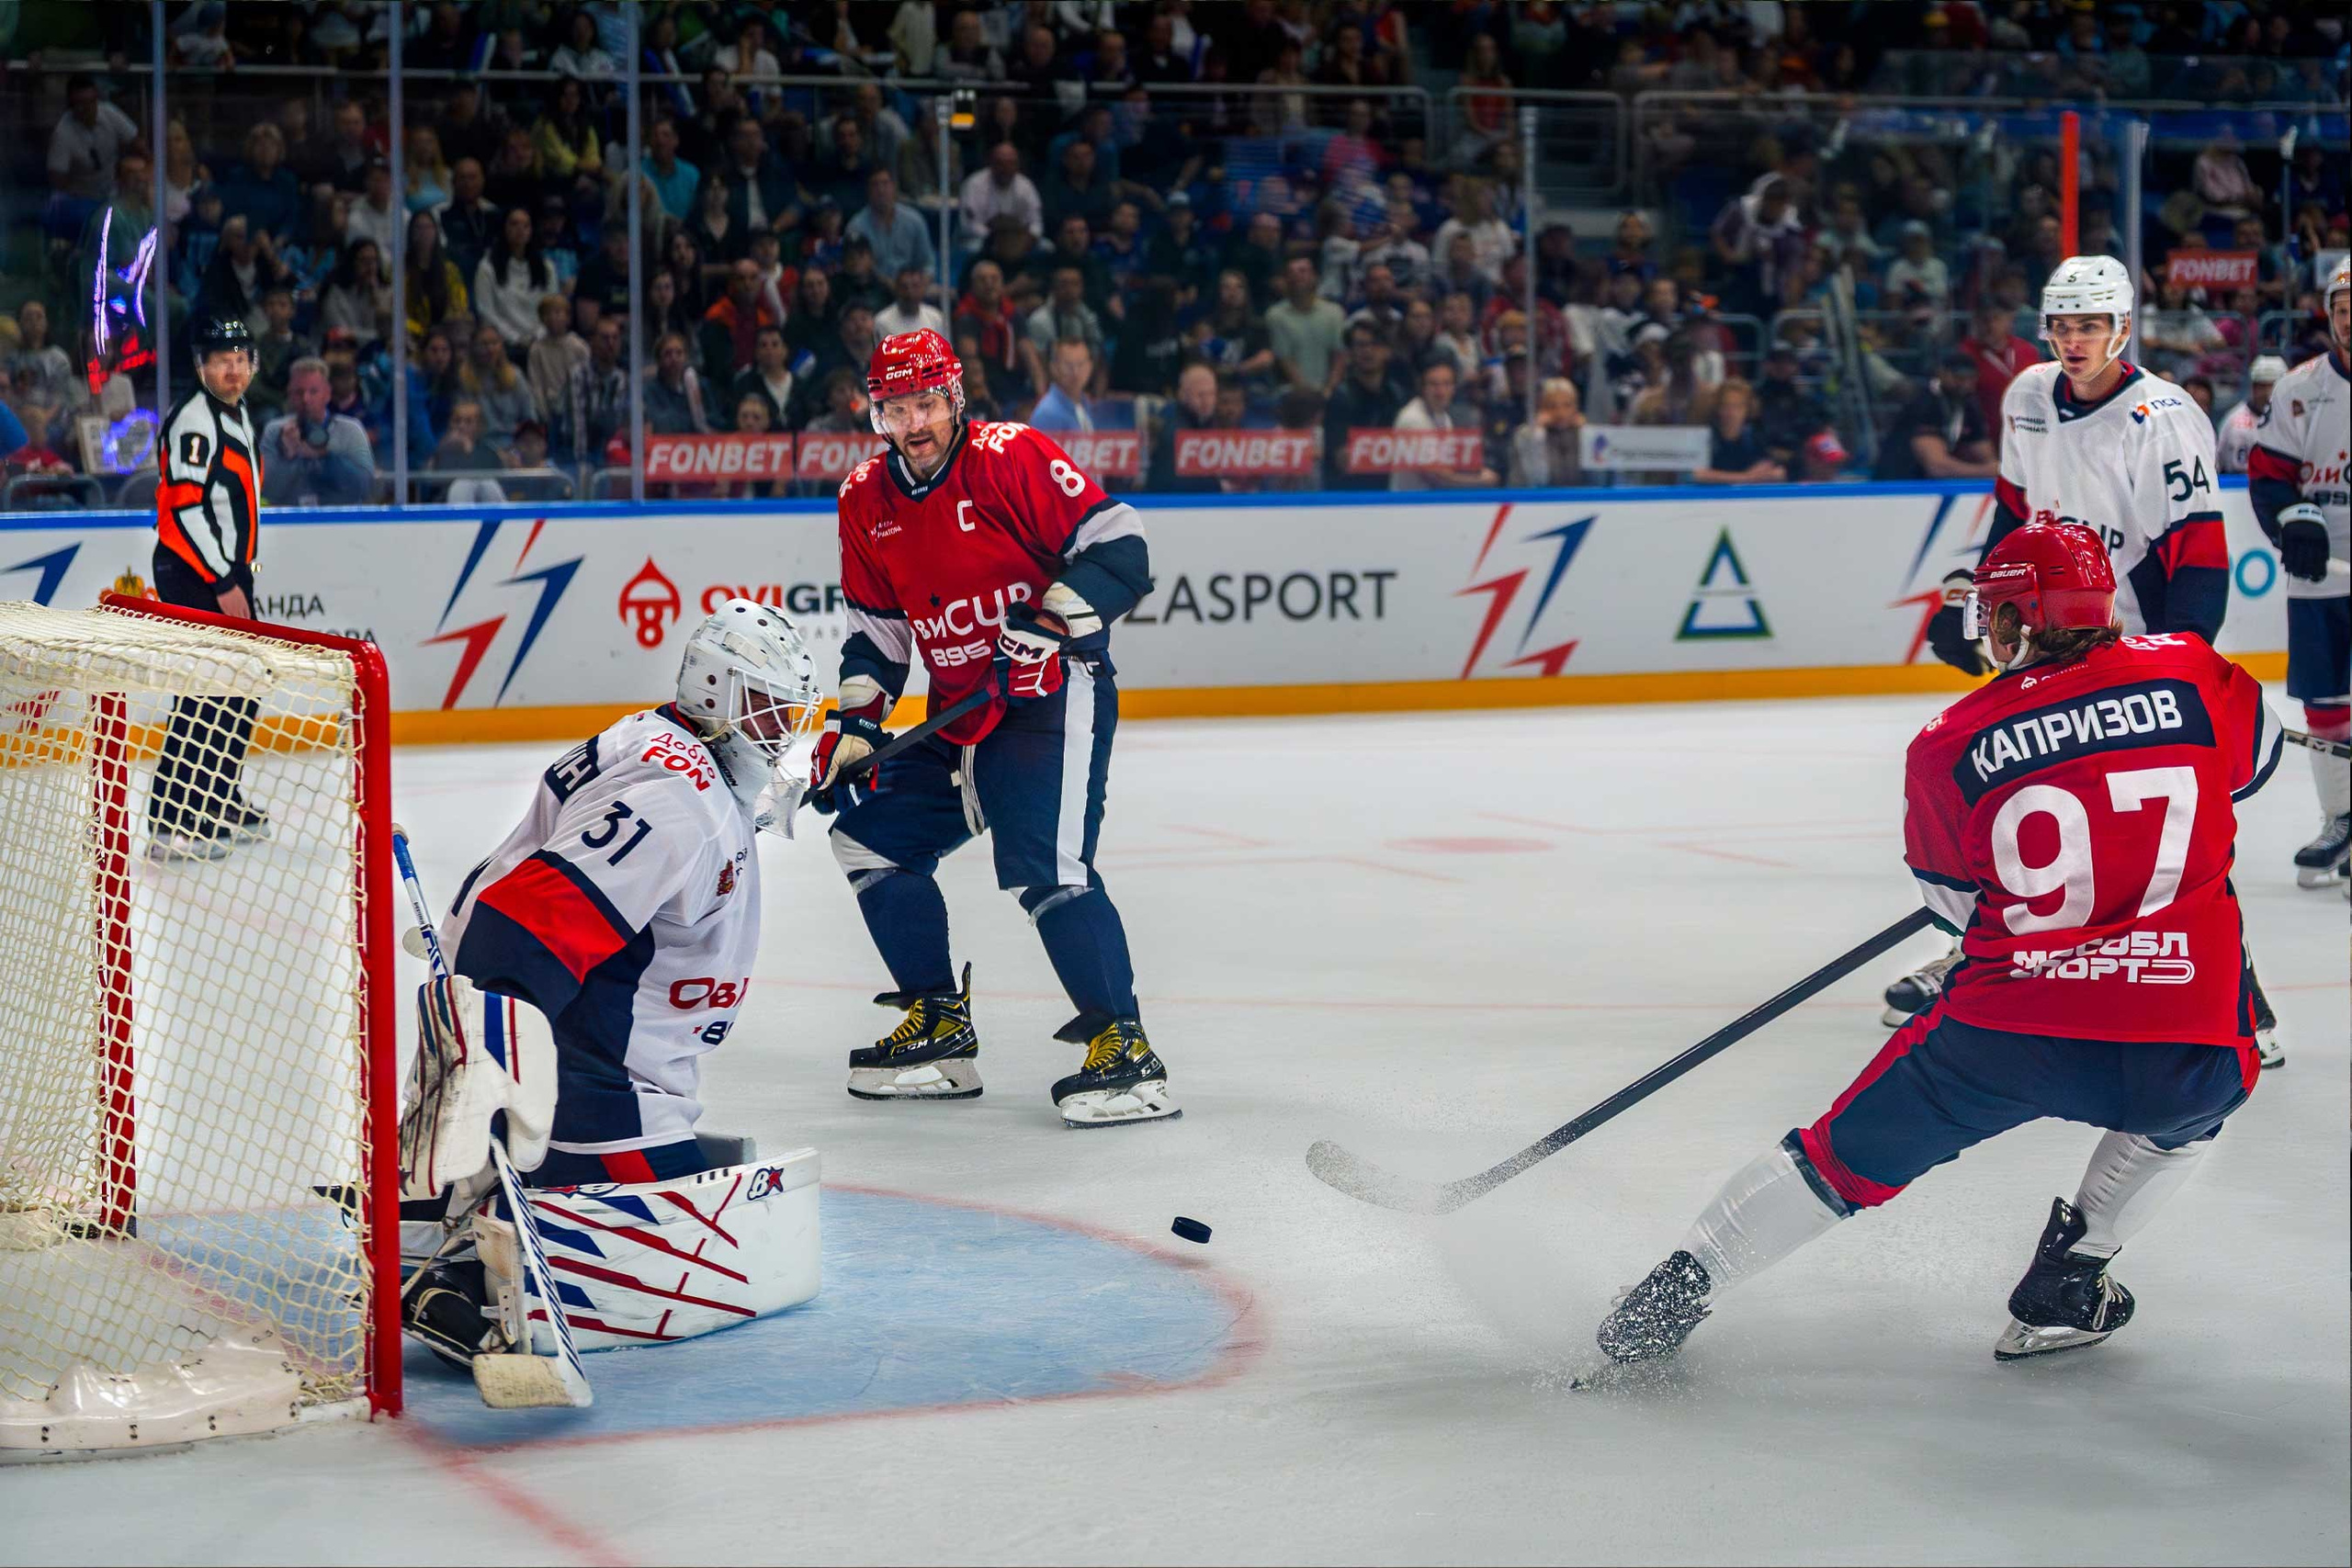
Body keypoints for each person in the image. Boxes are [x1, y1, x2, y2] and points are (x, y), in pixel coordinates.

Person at [1595, 524, 2284, 1371]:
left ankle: (1667, 1296)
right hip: (2184, 1035)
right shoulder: (2186, 664)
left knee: (1837, 1162)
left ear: (2019, 622)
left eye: (1994, 614)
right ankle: (2070, 1279)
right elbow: (2257, 763)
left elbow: (1958, 910)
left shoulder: (1946, 742)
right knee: (2199, 1106)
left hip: (2004, 1035)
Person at [400, 600, 826, 1371]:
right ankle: (452, 1235)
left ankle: (433, 1207)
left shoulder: (674, 748)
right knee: (702, 1245)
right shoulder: (675, 801)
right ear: (716, 694)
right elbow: (521, 925)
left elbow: (680, 849)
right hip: (596, 1065)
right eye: (768, 708)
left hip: (598, 1042)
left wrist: (786, 790)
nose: (783, 729)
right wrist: (495, 1077)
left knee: (706, 1207)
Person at [1906, 256, 2275, 1062]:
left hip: (2127, 650)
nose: (2074, 341)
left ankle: (2239, 995)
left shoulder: (2164, 416)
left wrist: (2181, 675)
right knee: (2016, 802)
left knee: (2159, 830)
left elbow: (2199, 559)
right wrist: (1974, 608)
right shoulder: (2029, 397)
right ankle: (1985, 954)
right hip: (2040, 643)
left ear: (2122, 329)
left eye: (2090, 326)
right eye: (2063, 325)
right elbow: (2012, 519)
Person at [812, 331, 1175, 1125]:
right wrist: (858, 725)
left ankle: (1126, 1050)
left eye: (928, 404)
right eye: (898, 408)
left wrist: (1051, 620)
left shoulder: (1012, 457)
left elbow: (1123, 550)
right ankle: (941, 1028)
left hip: (1049, 694)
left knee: (1046, 865)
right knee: (868, 839)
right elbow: (878, 634)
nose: (916, 424)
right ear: (876, 414)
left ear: (956, 400)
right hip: (961, 708)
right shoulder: (863, 500)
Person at [2245, 260, 2350, 888]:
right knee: (2326, 705)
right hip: (2322, 581)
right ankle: (2342, 818)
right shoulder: (2298, 390)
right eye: (2344, 308)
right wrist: (2292, 523)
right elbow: (2268, 481)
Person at [150, 319, 267, 862]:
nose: (233, 367)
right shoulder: (194, 421)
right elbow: (184, 507)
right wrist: (222, 579)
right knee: (202, 692)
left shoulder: (238, 411)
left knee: (240, 687)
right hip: (195, 573)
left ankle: (217, 796)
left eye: (242, 357)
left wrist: (235, 573)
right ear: (201, 366)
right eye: (222, 358)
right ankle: (174, 819)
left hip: (226, 572)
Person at [260, 356, 373, 505]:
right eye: (299, 392)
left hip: (339, 521)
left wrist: (325, 456)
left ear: (327, 393)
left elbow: (364, 488)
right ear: (290, 394)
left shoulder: (351, 430)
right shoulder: (275, 431)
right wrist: (289, 455)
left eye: (313, 391)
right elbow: (266, 491)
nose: (306, 399)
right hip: (290, 521)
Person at [1873, 353, 1999, 481]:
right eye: (1959, 377)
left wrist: (1995, 469)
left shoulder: (1968, 405)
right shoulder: (1924, 402)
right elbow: (1937, 467)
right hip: (1900, 483)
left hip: (1929, 485)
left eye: (1971, 378)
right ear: (1941, 373)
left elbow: (1986, 456)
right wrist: (1985, 471)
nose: (1965, 384)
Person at [1392, 361, 1498, 491]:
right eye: (1434, 385)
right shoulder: (1413, 419)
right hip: (1407, 505)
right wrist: (1479, 480)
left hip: (1431, 504)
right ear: (1423, 388)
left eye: (1446, 384)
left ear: (1454, 388)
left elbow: (1449, 466)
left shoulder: (1443, 417)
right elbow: (1438, 477)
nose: (1440, 391)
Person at [2215, 355, 2287, 474]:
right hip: (2238, 487)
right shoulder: (2235, 421)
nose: (2267, 393)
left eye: (2272, 386)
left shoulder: (2293, 419)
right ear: (2253, 387)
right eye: (2262, 386)